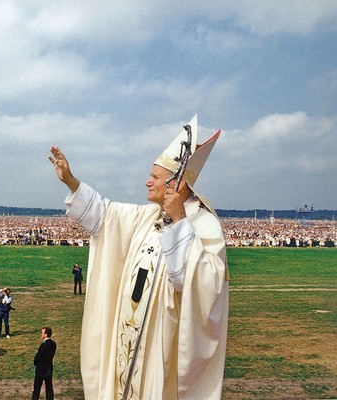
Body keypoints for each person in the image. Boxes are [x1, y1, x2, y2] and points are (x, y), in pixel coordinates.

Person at [48, 115, 229, 400]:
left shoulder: (203, 224)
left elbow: (200, 285)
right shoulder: (149, 216)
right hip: (127, 337)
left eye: (155, 177)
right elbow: (106, 217)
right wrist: (71, 181)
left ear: (177, 184)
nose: (147, 182)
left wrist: (180, 221)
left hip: (161, 343)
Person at [32, 326, 57, 400]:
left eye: (42, 333)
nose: (41, 334)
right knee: (49, 387)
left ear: (46, 334)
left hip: (41, 369)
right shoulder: (53, 344)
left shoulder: (43, 346)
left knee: (37, 388)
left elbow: (39, 357)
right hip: (49, 368)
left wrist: (35, 362)